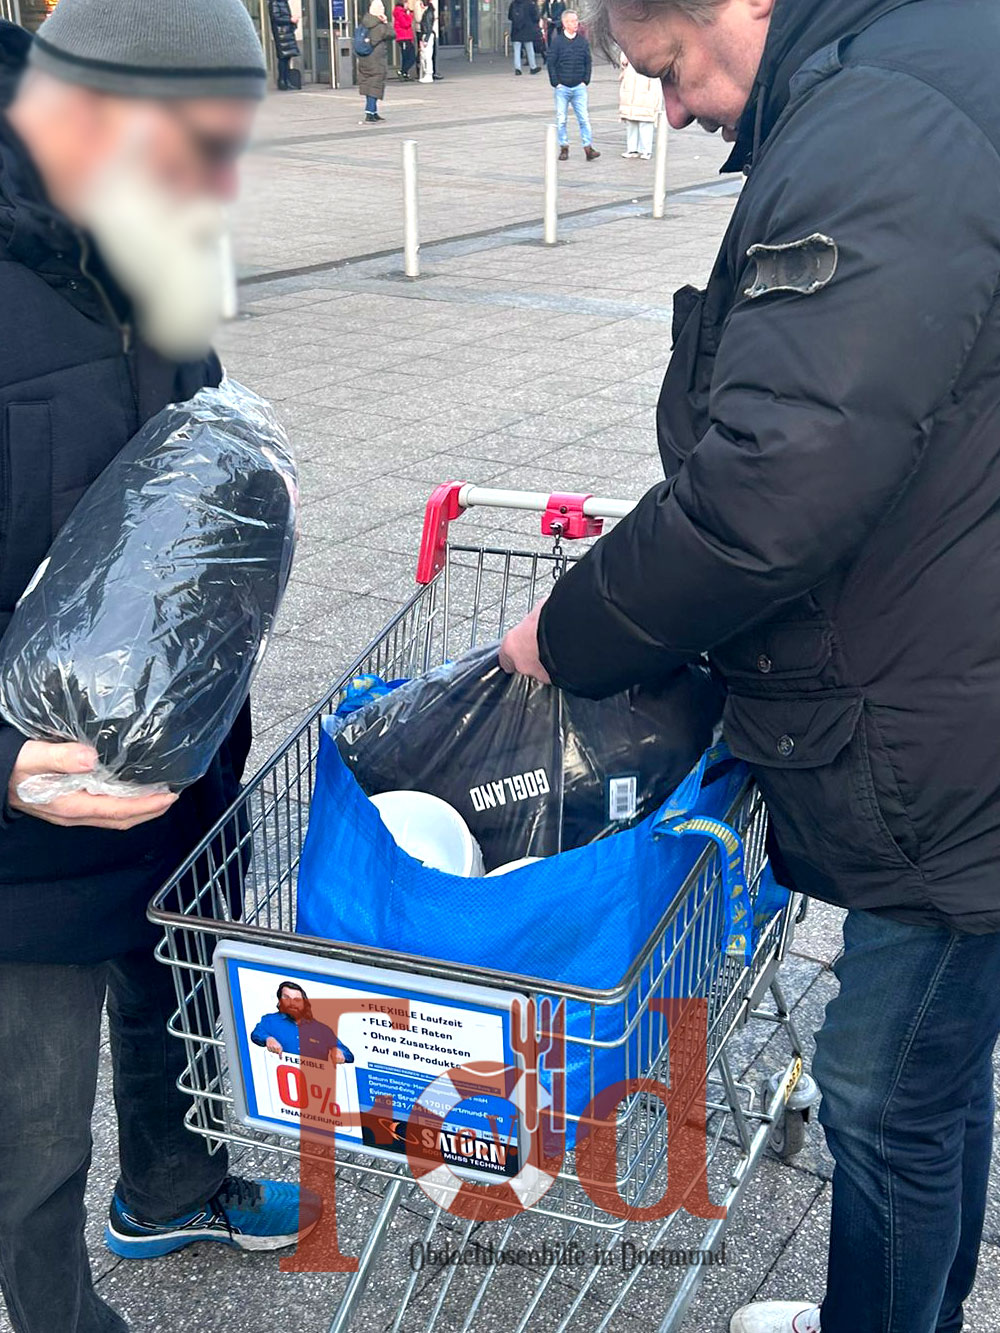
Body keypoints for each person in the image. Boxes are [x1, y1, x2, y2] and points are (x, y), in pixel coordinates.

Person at [499, 1, 1000, 1332]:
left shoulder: (884, 122)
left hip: (951, 738)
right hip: (954, 688)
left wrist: (569, 631)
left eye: (668, 69)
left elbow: (772, 483)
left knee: (885, 1086)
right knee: (934, 1072)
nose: (668, 111)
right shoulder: (918, 69)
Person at [0, 1, 325, 1329]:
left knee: (173, 982)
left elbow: (202, 460)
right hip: (31, 827)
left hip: (173, 768)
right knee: (31, 1131)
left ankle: (174, 1180)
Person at [252, 983, 356, 1064]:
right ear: (280, 1002)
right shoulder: (270, 1020)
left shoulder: (321, 1029)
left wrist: (338, 1051)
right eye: (286, 998)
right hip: (278, 1082)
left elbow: (348, 1055)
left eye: (297, 999)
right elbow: (256, 1034)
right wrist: (267, 1038)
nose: (292, 1003)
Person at [547, 10, 598, 161]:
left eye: (576, 21)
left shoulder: (582, 41)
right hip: (562, 87)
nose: (575, 24)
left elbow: (588, 61)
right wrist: (556, 83)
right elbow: (551, 63)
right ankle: (564, 147)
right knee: (561, 119)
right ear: (564, 23)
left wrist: (585, 80)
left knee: (584, 119)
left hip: (579, 87)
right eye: (571, 21)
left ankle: (588, 148)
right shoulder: (557, 42)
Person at [618, 52, 659, 159]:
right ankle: (632, 149)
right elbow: (623, 61)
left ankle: (646, 150)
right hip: (630, 86)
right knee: (631, 121)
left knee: (645, 121)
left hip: (645, 87)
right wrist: (624, 62)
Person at [357, 0, 392, 122]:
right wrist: (386, 22)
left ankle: (373, 111)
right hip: (376, 61)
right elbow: (392, 34)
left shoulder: (364, 24)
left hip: (364, 60)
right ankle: (370, 112)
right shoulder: (379, 27)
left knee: (368, 84)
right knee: (375, 86)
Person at [267, 0, 301, 90]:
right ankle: (282, 81)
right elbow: (276, 18)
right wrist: (290, 20)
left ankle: (286, 80)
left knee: (287, 57)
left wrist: (292, 21)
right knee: (283, 58)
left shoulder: (283, 2)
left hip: (286, 32)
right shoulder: (275, 3)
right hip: (281, 33)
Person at [508, 0, 541, 75]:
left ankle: (518, 69)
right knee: (529, 49)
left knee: (517, 50)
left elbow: (510, 17)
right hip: (527, 29)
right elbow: (535, 17)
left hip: (516, 30)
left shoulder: (513, 4)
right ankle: (533, 67)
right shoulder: (530, 3)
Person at [418, 0, 442, 83]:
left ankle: (428, 74)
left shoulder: (427, 13)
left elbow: (428, 27)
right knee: (426, 56)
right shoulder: (429, 12)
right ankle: (428, 74)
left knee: (427, 56)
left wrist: (425, 40)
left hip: (427, 35)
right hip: (427, 35)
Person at [392, 0, 416, 79]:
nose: (408, 5)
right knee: (410, 57)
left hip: (407, 37)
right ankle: (402, 71)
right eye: (407, 3)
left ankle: (404, 73)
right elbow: (405, 24)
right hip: (403, 37)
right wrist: (410, 16)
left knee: (407, 57)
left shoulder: (403, 12)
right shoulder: (399, 12)